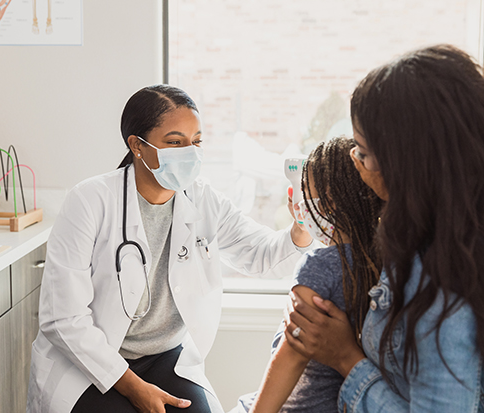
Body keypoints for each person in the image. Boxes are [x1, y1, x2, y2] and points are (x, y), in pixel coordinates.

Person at [26, 84, 315, 413]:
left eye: (196, 142)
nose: (190, 152)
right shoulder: (90, 202)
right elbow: (63, 319)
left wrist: (300, 226)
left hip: (165, 358)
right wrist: (135, 389)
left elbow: (262, 255)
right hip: (90, 362)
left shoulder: (203, 200)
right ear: (137, 145)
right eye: (175, 142)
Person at [284, 44, 484, 412]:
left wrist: (346, 358)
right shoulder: (425, 239)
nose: (355, 163)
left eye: (361, 151)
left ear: (405, 163)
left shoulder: (446, 288)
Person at [235, 137, 382, 413]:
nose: (301, 204)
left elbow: (290, 358)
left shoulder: (319, 266)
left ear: (328, 201)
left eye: (305, 193)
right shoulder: (382, 262)